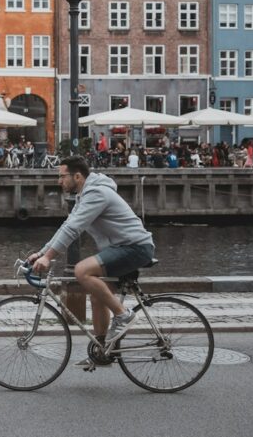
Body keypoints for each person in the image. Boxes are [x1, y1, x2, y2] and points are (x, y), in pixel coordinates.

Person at [28, 156, 155, 366]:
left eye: (62, 176)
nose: (59, 181)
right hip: (120, 248)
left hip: (135, 247)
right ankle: (103, 351)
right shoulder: (84, 196)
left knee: (81, 271)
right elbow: (66, 226)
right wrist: (42, 253)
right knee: (97, 295)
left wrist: (49, 258)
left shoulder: (96, 193)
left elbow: (73, 229)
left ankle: (124, 316)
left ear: (77, 176)